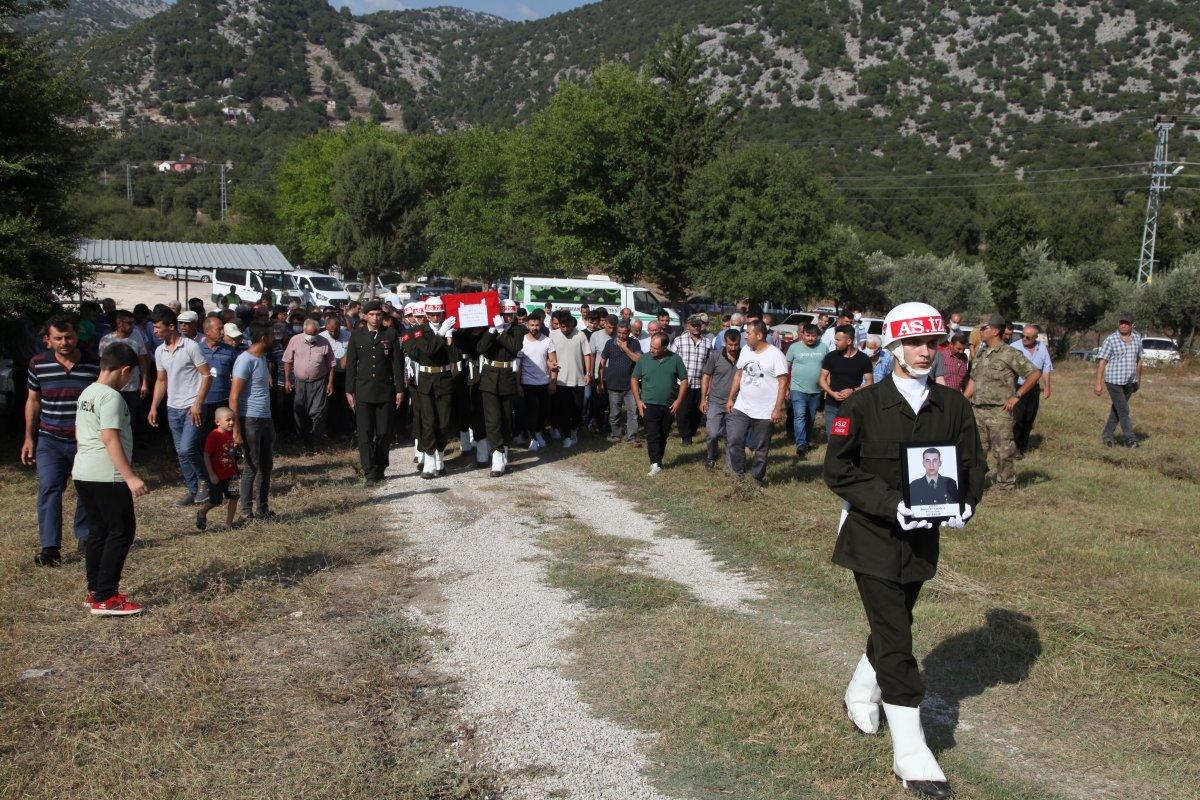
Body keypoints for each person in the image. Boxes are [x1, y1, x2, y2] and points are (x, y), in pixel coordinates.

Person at [824, 302, 986, 799]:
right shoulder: (863, 405)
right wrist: (892, 504)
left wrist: (965, 505)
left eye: (932, 344)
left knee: (893, 622)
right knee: (897, 635)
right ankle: (911, 754)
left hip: (921, 541)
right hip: (871, 537)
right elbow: (840, 471)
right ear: (893, 347)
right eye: (914, 343)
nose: (924, 353)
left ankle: (858, 692)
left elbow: (972, 466)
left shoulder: (953, 405)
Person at [72, 342, 150, 616]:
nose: (130, 381)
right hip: (108, 474)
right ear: (124, 370)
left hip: (84, 472)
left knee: (99, 532)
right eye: (131, 376)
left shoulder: (87, 392)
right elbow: (109, 437)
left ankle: (95, 590)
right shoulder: (111, 397)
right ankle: (107, 597)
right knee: (121, 532)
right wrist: (130, 476)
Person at [22, 315, 99, 566]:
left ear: (77, 337)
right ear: (48, 340)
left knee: (87, 489)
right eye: (58, 338)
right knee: (49, 488)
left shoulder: (93, 364)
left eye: (69, 337)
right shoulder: (38, 364)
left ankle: (86, 537)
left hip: (85, 441)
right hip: (50, 440)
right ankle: (50, 548)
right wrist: (28, 438)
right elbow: (33, 401)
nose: (64, 342)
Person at [964, 314, 1040, 492]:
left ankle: (1005, 485)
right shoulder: (981, 353)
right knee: (976, 450)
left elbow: (1034, 374)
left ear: (995, 331)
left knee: (1003, 451)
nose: (981, 332)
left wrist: (1017, 395)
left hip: (1000, 411)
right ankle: (976, 484)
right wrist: (962, 399)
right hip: (978, 410)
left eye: (984, 328)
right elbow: (974, 380)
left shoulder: (1010, 353)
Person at [147, 309, 212, 506]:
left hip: (192, 406)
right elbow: (160, 380)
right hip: (172, 407)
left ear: (171, 327)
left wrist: (198, 403)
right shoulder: (160, 351)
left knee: (187, 448)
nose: (155, 332)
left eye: (158, 327)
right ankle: (193, 490)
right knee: (180, 451)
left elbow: (207, 375)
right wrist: (153, 407)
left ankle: (205, 482)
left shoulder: (191, 346)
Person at [347, 301, 407, 485]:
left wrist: (399, 389)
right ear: (364, 316)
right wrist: (349, 391)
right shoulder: (357, 335)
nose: (375, 318)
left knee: (383, 432)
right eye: (371, 314)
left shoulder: (390, 334)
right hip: (363, 390)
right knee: (364, 433)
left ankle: (380, 466)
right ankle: (369, 472)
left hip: (385, 390)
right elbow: (351, 365)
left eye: (378, 314)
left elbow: (397, 364)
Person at [724, 319, 787, 486]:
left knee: (761, 448)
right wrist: (731, 398)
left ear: (759, 335)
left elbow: (782, 382)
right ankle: (739, 474)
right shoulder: (745, 350)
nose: (745, 337)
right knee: (735, 440)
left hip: (765, 411)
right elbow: (738, 374)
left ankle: (756, 478)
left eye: (749, 334)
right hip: (742, 407)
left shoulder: (775, 355)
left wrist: (777, 409)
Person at [401, 297, 454, 478]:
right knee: (429, 421)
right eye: (431, 314)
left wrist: (450, 337)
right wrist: (440, 335)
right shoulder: (418, 330)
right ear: (426, 314)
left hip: (445, 378)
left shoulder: (448, 330)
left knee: (445, 422)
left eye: (438, 314)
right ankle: (430, 462)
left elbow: (455, 356)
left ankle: (439, 457)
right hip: (426, 380)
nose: (435, 317)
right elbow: (427, 350)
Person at [230, 322, 276, 520]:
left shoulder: (263, 358)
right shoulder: (244, 360)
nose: (275, 339)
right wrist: (236, 430)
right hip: (250, 419)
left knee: (266, 465)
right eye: (272, 335)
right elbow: (234, 397)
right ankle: (246, 511)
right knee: (251, 465)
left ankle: (263, 508)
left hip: (265, 417)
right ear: (264, 338)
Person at [477, 300, 525, 476]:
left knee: (505, 417)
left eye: (510, 315)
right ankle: (496, 456)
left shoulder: (518, 329)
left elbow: (514, 347)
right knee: (492, 418)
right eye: (504, 314)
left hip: (507, 376)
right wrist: (491, 330)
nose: (507, 318)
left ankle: (504, 448)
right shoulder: (489, 328)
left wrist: (500, 330)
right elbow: (481, 348)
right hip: (489, 375)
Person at [630, 332, 688, 476]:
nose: (652, 350)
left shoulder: (675, 359)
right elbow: (634, 379)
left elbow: (684, 380)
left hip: (669, 405)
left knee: (663, 434)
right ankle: (654, 463)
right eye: (651, 346)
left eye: (655, 348)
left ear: (664, 348)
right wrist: (638, 400)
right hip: (648, 404)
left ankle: (658, 460)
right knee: (652, 434)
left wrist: (679, 400)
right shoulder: (644, 359)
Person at [98, 310, 150, 445]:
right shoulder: (106, 340)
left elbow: (143, 359)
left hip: (132, 386)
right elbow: (103, 366)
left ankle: (130, 445)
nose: (133, 326)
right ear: (119, 323)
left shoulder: (136, 335)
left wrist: (144, 382)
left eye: (133, 323)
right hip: (111, 387)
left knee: (131, 417)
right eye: (129, 323)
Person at [283, 318, 336, 450]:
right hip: (299, 382)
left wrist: (330, 383)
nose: (310, 336)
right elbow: (287, 361)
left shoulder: (324, 342)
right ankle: (301, 439)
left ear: (318, 332)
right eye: (308, 333)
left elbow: (331, 365)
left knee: (318, 412)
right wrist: (287, 380)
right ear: (303, 330)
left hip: (318, 383)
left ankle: (317, 441)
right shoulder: (295, 340)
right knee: (299, 410)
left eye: (313, 334)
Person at [1094, 311, 1143, 449]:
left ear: (1132, 325)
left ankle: (1107, 436)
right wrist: (1098, 383)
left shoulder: (1137, 338)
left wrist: (1138, 380)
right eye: (1121, 323)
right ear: (1118, 324)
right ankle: (1131, 439)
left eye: (1126, 323)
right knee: (1123, 410)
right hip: (1114, 381)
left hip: (1130, 381)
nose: (1123, 325)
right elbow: (1102, 361)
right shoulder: (1111, 339)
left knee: (1117, 410)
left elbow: (1139, 360)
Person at [819, 325, 873, 438]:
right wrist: (832, 393)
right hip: (832, 405)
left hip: (852, 405)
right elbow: (822, 379)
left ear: (849, 341)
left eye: (838, 340)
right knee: (832, 437)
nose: (835, 342)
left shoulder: (864, 359)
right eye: (835, 339)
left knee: (848, 438)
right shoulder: (830, 357)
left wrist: (853, 391)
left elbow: (869, 383)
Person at [549, 312, 592, 448]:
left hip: (578, 379)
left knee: (578, 409)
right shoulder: (553, 335)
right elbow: (549, 354)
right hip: (561, 380)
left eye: (568, 327)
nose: (565, 329)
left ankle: (574, 431)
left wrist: (588, 373)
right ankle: (567, 436)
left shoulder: (580, 335)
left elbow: (587, 354)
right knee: (565, 409)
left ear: (572, 324)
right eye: (562, 327)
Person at [1010, 324, 1053, 457]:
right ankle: (1014, 448)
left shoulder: (1042, 348)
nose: (1024, 339)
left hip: (1034, 388)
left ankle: (1022, 446)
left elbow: (1046, 367)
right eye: (1023, 336)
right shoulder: (1014, 347)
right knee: (1017, 418)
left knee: (1029, 417)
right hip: (1018, 386)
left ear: (1035, 337)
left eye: (1028, 337)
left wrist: (1047, 386)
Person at [670, 315, 713, 446]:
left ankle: (692, 431)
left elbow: (710, 364)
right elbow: (672, 361)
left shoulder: (707, 343)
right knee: (683, 412)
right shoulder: (679, 341)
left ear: (701, 326)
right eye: (693, 325)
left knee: (697, 412)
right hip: (683, 383)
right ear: (688, 326)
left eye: (698, 325)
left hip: (700, 384)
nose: (695, 327)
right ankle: (686, 438)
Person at [518, 311, 557, 451]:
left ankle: (539, 432)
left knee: (544, 411)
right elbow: (519, 366)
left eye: (537, 325)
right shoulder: (521, 341)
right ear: (527, 325)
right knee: (532, 411)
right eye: (532, 325)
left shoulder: (547, 340)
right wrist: (518, 385)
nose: (535, 327)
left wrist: (552, 383)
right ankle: (533, 437)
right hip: (527, 383)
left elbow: (553, 362)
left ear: (541, 325)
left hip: (544, 382)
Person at [197, 407, 240, 531]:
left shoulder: (232, 433)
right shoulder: (214, 436)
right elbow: (206, 455)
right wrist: (211, 474)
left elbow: (230, 451)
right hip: (217, 475)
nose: (231, 422)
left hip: (231, 473)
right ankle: (202, 512)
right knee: (216, 501)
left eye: (233, 420)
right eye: (228, 420)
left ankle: (228, 525)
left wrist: (236, 447)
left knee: (234, 497)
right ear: (218, 422)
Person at [786, 324, 825, 458]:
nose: (810, 338)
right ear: (803, 335)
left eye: (813, 336)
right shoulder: (794, 347)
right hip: (797, 388)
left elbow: (827, 369)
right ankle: (801, 444)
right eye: (808, 335)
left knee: (811, 417)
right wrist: (785, 386)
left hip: (816, 390)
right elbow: (787, 367)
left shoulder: (823, 347)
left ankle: (806, 441)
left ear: (817, 336)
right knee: (800, 415)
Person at [600, 319, 642, 445]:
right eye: (619, 332)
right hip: (613, 384)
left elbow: (639, 360)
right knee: (614, 414)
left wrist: (626, 349)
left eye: (624, 333)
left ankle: (632, 438)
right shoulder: (609, 343)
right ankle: (616, 435)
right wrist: (600, 380)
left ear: (629, 332)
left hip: (631, 386)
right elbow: (602, 362)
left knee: (633, 413)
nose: (621, 335)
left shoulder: (634, 343)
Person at [198, 316, 238, 435]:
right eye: (219, 329)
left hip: (223, 400)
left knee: (222, 435)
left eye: (223, 329)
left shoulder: (230, 351)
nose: (222, 333)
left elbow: (235, 375)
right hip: (202, 401)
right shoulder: (196, 349)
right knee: (203, 435)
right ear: (207, 331)